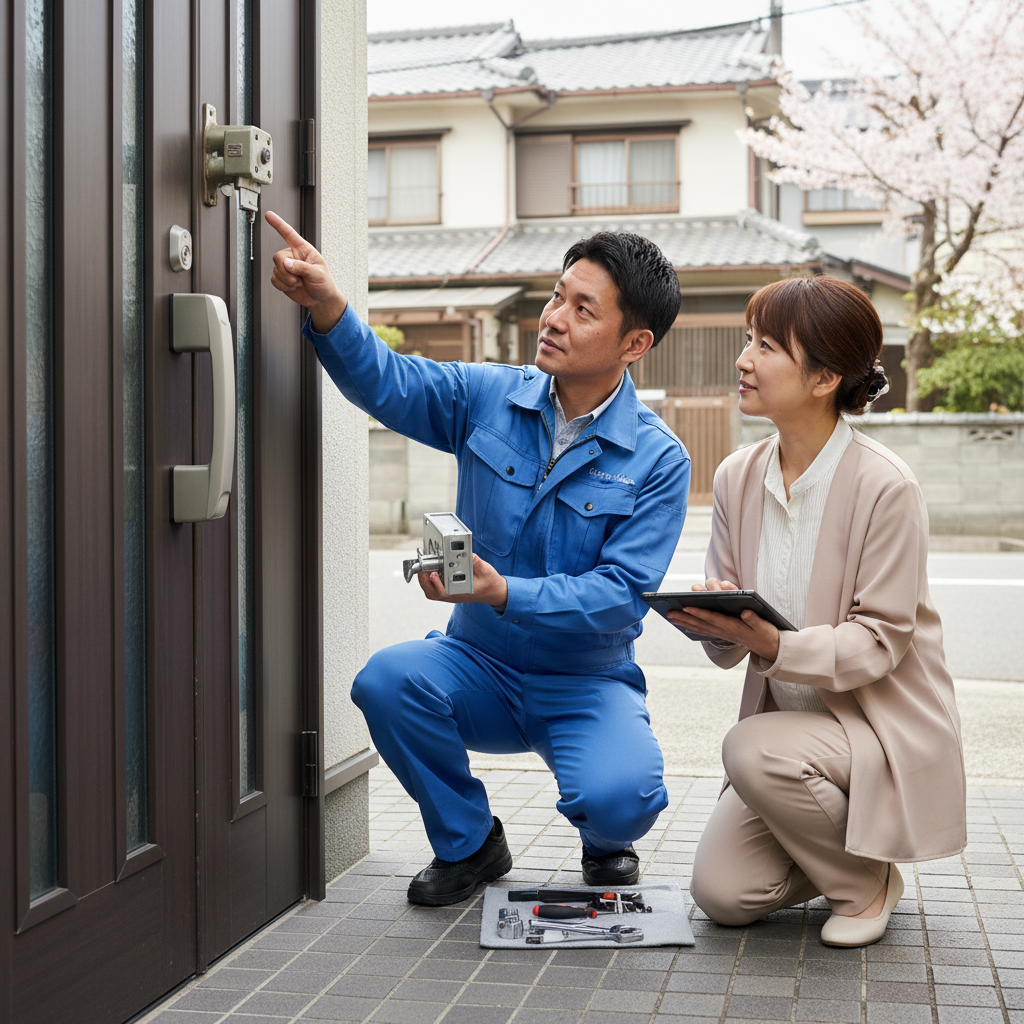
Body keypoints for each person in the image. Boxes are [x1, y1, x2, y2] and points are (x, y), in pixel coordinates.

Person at [266, 211, 690, 905]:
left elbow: (620, 594)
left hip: (585, 682)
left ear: (634, 342)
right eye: (559, 296)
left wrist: (505, 593)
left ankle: (605, 833)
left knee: (623, 797)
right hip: (478, 666)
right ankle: (469, 843)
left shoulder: (658, 459)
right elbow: (388, 382)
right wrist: (328, 305)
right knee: (386, 680)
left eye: (584, 310)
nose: (554, 318)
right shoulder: (485, 396)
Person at [671, 275, 966, 947]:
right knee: (723, 893)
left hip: (876, 727)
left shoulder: (885, 486)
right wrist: (714, 623)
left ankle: (866, 887)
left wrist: (775, 647)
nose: (743, 359)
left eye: (766, 346)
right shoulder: (735, 477)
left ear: (825, 376)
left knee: (748, 747)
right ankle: (850, 854)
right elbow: (733, 642)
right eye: (748, 340)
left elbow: (880, 641)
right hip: (791, 740)